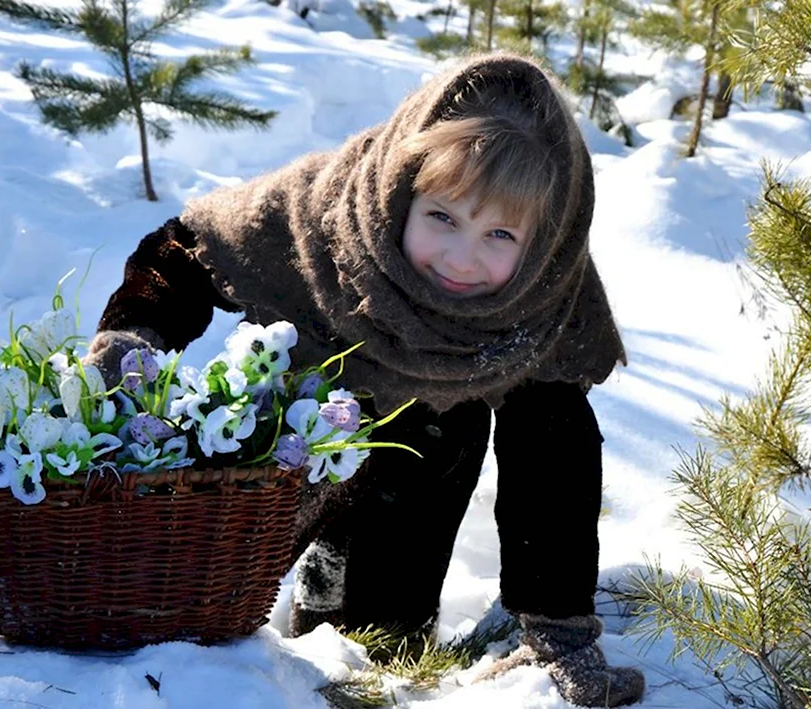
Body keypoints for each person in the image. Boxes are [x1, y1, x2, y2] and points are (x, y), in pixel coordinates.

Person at [85, 52, 643, 707]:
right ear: (404, 187)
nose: (461, 258)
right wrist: (133, 336)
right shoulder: (327, 209)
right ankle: (208, 608)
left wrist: (560, 630)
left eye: (499, 233)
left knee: (371, 649)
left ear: (541, 237)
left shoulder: (545, 289)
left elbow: (554, 447)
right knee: (197, 620)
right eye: (442, 217)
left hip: (427, 443)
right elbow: (185, 249)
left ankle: (351, 628)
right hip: (297, 425)